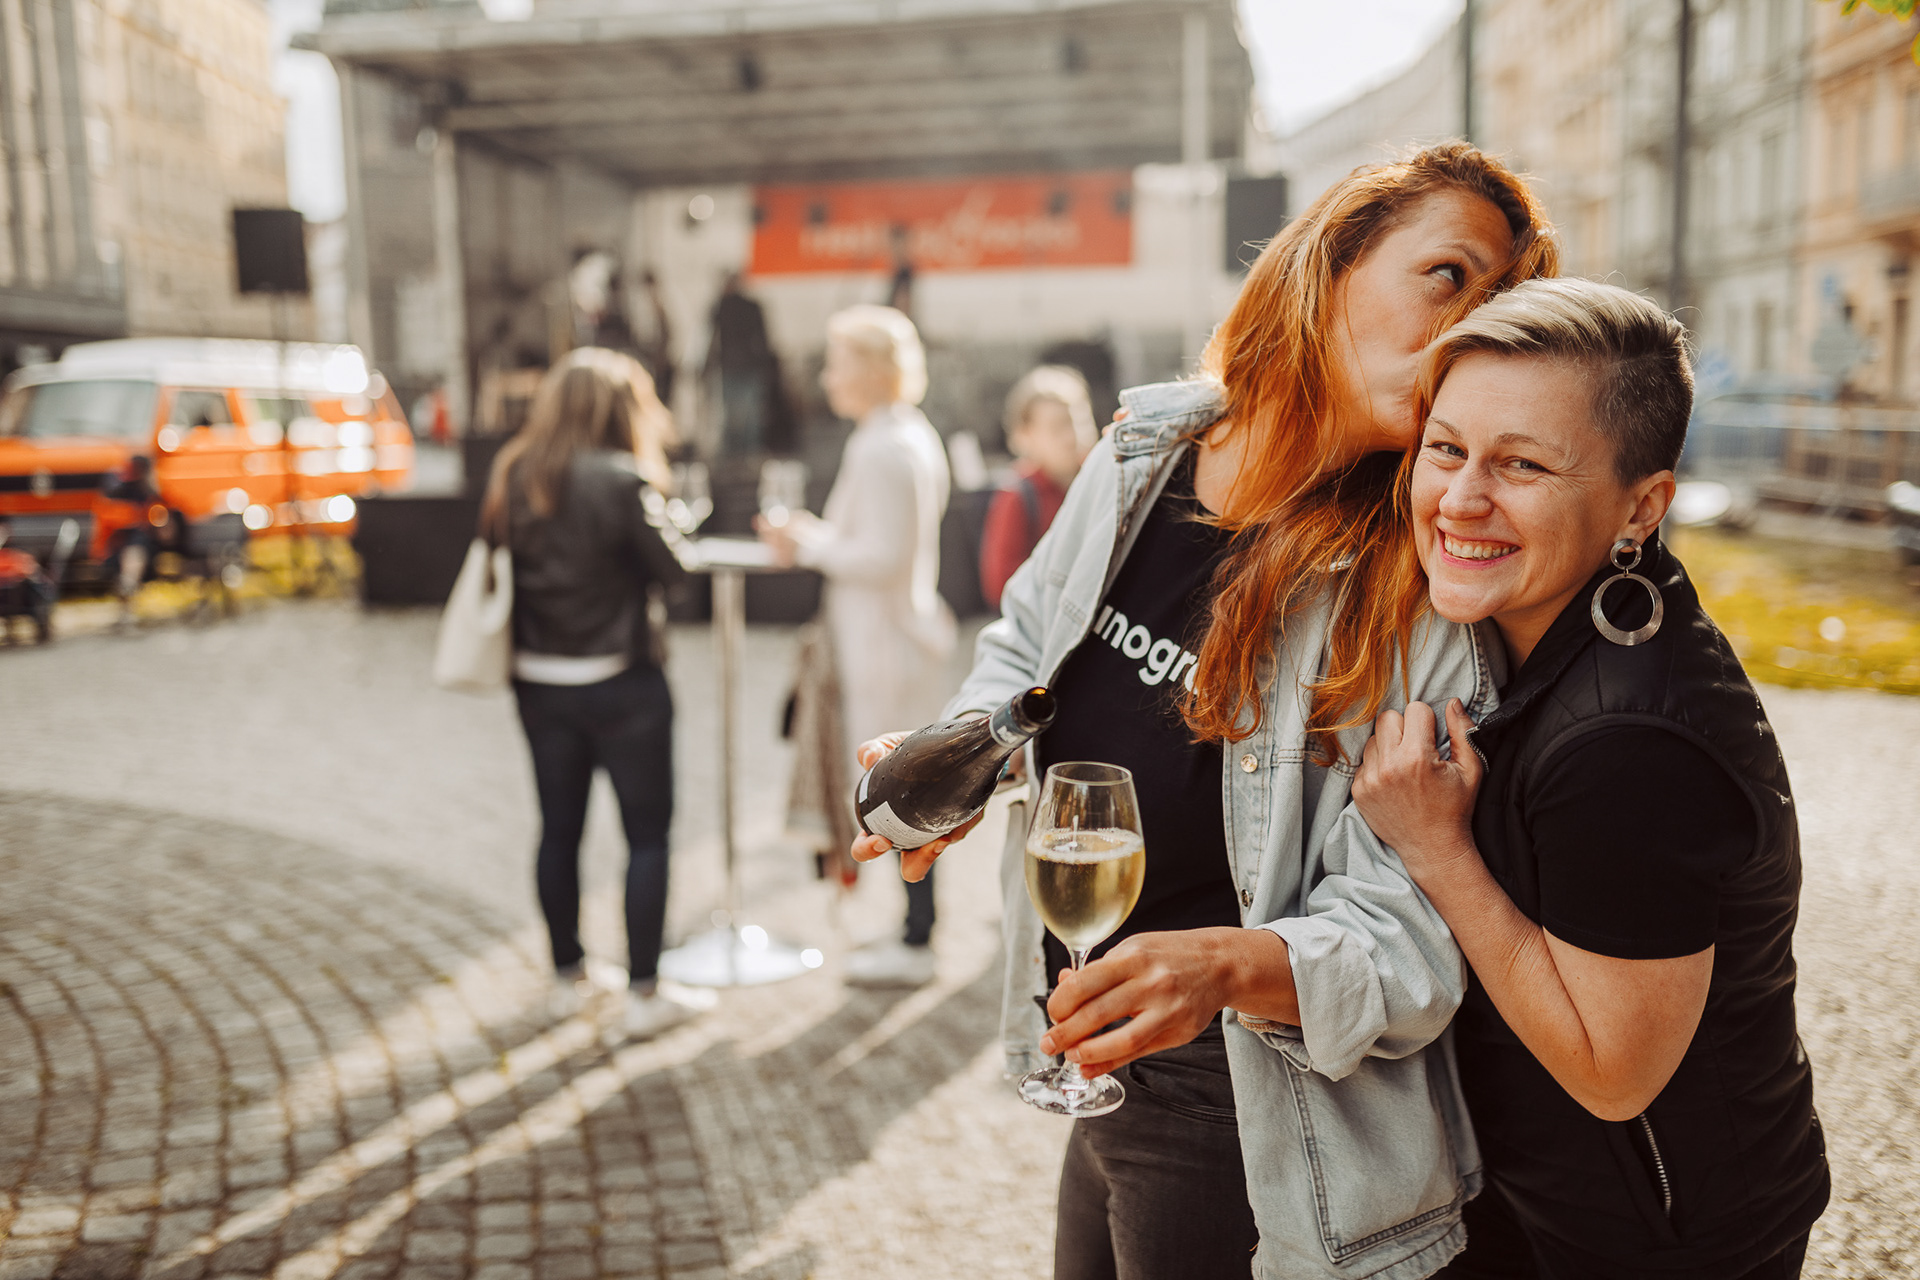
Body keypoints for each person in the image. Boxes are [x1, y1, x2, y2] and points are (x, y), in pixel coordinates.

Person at [850, 143, 1560, 1280]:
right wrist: (971, 755)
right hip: (1093, 1030)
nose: (1470, 327)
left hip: (1248, 1097)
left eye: (1499, 305)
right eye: (1449, 274)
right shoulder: (1147, 448)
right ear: (1331, 259)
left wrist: (1225, 969)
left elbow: (1413, 945)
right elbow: (1027, 636)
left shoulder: (1424, 583)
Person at [1351, 278, 1829, 1279]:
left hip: (1661, 1240)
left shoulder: (1629, 743)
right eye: (1446, 448)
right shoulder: (1563, 618)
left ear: (1641, 506)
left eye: (1522, 463)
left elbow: (1615, 1075)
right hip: (1553, 1205)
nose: (1461, 498)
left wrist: (1436, 847)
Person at [478, 347, 705, 1040]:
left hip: (540, 683)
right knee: (646, 836)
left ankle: (566, 977)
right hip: (622, 684)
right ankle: (644, 994)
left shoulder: (515, 472)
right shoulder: (622, 478)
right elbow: (677, 575)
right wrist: (674, 521)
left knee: (558, 830)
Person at [758, 304, 955, 988]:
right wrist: (814, 535)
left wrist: (807, 543)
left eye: (838, 363)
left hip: (884, 647)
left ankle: (918, 937)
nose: (827, 376)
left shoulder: (883, 446)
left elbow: (881, 556)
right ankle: (911, 929)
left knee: (900, 790)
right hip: (890, 639)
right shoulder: (900, 433)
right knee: (903, 787)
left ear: (872, 370)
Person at [979, 365, 1098, 610]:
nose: (1071, 437)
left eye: (1078, 423)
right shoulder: (1018, 496)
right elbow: (1001, 585)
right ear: (1026, 436)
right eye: (1057, 428)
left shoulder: (1101, 479)